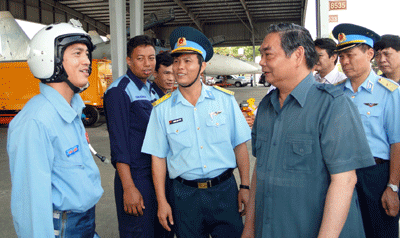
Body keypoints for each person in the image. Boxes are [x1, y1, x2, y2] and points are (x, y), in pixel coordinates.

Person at [242, 23, 375, 238]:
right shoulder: (266, 106)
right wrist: (249, 228)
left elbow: (344, 181)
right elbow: (261, 169)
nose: (261, 62)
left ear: (297, 55)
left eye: (268, 54)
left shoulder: (333, 105)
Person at [141, 26, 251, 238]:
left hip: (224, 192)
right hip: (184, 196)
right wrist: (162, 201)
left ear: (202, 66)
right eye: (176, 61)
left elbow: (240, 145)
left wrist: (244, 186)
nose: (179, 67)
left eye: (188, 61)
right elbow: (158, 158)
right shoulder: (162, 109)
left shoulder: (225, 100)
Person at [7, 20, 103, 237]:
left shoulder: (73, 109)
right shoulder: (36, 121)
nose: (87, 61)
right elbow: (30, 205)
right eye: (77, 53)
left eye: (87, 54)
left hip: (85, 224)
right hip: (61, 228)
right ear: (51, 59)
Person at [333, 23, 400, 238]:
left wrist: (393, 186)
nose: (344, 62)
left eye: (350, 55)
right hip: (341, 174)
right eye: (341, 56)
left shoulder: (390, 92)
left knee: (380, 232)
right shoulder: (335, 94)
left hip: (376, 176)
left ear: (370, 53)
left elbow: (397, 142)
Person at [103, 35, 168, 238]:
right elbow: (119, 145)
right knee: (138, 232)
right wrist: (128, 188)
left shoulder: (152, 90)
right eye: (140, 58)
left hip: (157, 175)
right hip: (136, 176)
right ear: (129, 61)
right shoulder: (119, 92)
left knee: (162, 231)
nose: (147, 64)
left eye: (151, 58)